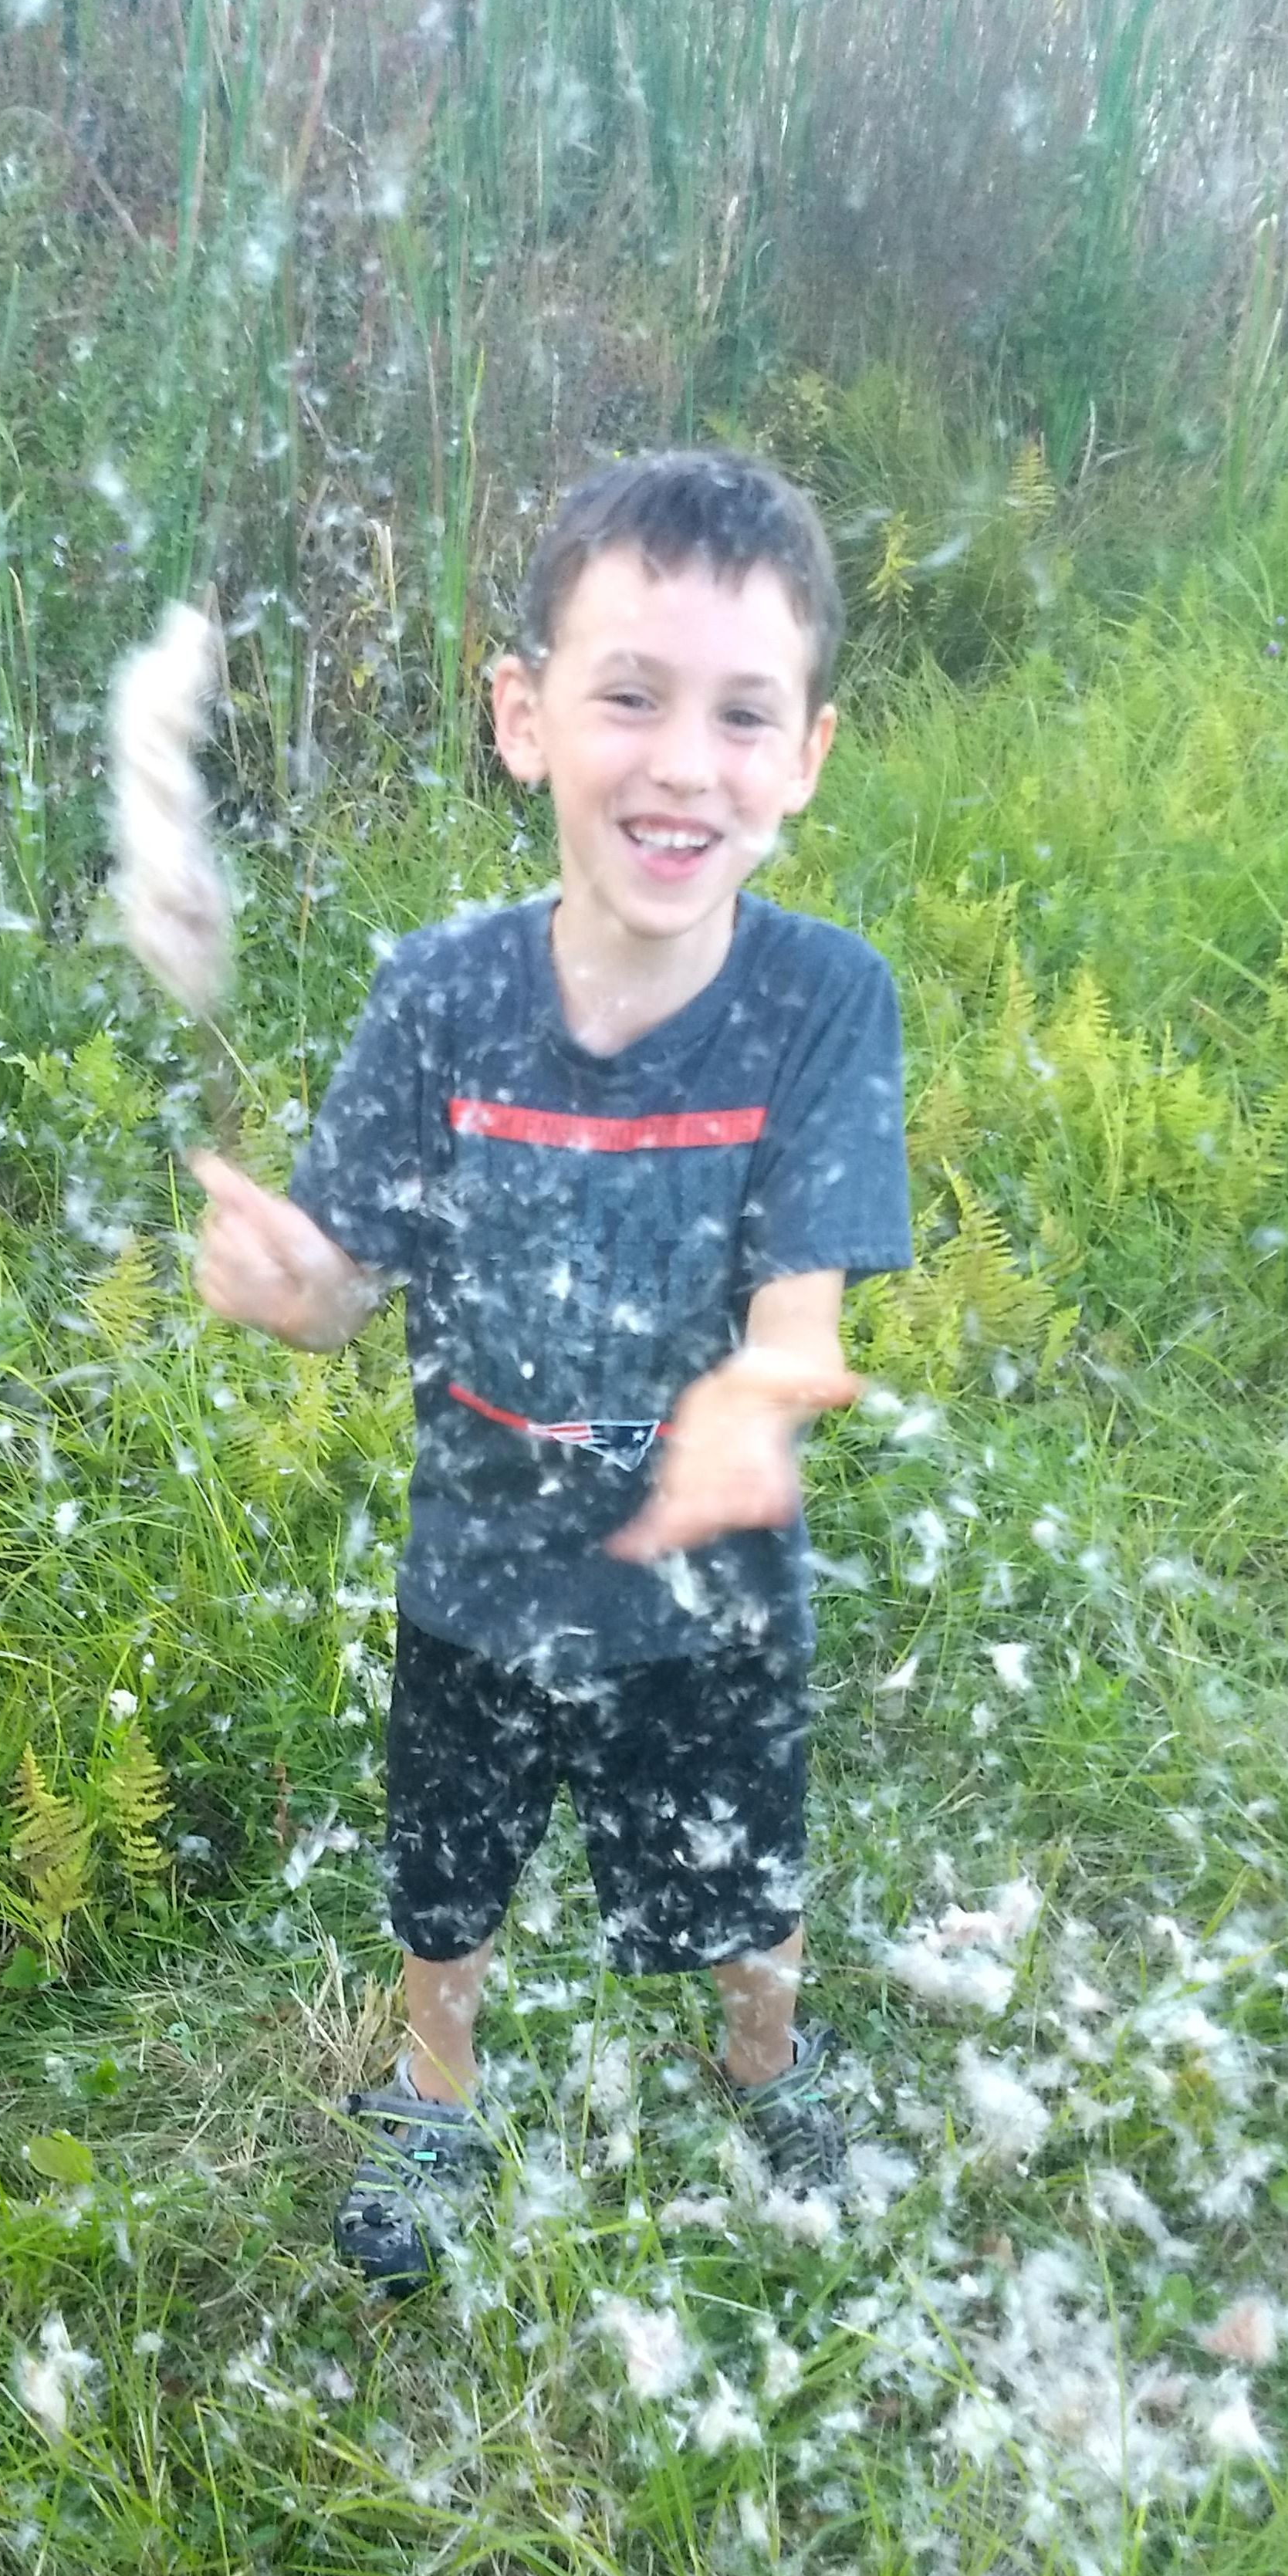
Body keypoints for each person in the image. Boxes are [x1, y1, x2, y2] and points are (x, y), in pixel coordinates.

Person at [188, 448, 910, 2294]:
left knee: (741, 1868)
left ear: (807, 754)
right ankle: (436, 2086)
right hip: (479, 1566)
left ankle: (765, 2058)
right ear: (523, 719)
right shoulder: (442, 995)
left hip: (715, 1572)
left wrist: (761, 1390)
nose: (686, 763)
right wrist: (292, 1286)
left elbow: (803, 1310)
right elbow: (346, 1288)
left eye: (742, 714)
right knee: (447, 1868)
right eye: (629, 697)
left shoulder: (823, 998)